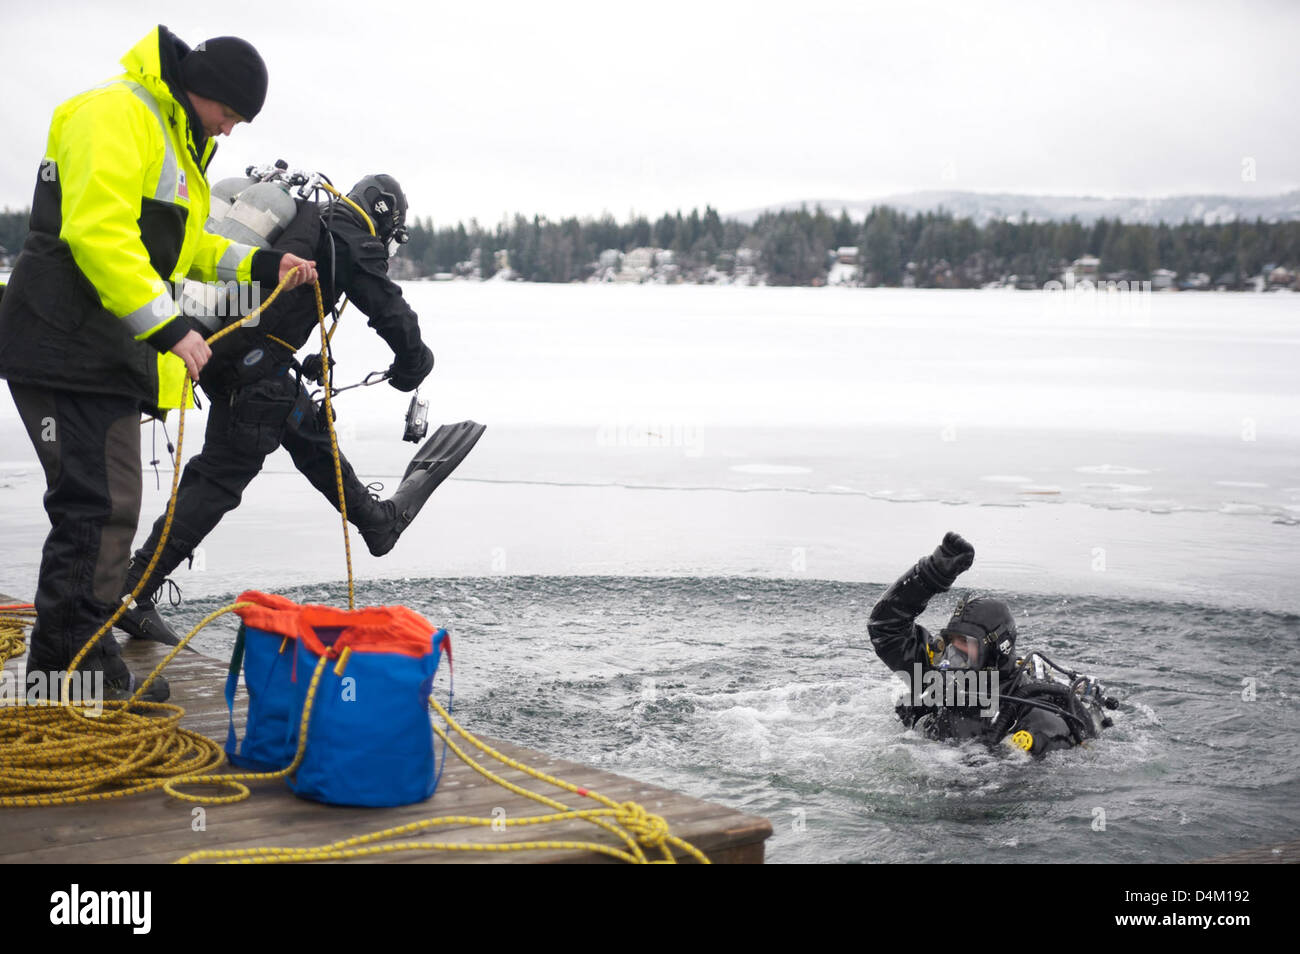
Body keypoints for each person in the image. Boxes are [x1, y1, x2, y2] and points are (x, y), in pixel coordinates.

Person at [0, 26, 315, 704]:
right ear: (207, 93)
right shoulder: (117, 113)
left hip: (99, 349)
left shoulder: (173, 136)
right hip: (61, 341)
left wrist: (266, 262)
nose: (229, 132)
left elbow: (189, 245)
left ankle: (75, 658)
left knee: (106, 500)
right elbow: (98, 231)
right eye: (230, 115)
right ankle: (72, 668)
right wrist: (170, 327)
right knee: (97, 501)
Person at [115, 171, 483, 647]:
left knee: (306, 431)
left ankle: (376, 524)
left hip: (238, 360)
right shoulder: (352, 238)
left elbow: (278, 310)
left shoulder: (314, 225)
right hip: (254, 374)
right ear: (383, 218)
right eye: (392, 237)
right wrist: (415, 361)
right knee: (219, 479)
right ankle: (132, 588)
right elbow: (388, 309)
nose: (388, 248)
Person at [868, 532, 1114, 757]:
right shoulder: (940, 678)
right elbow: (884, 627)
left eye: (965, 647)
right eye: (949, 642)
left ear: (996, 652)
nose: (952, 655)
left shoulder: (1033, 715)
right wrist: (931, 574)